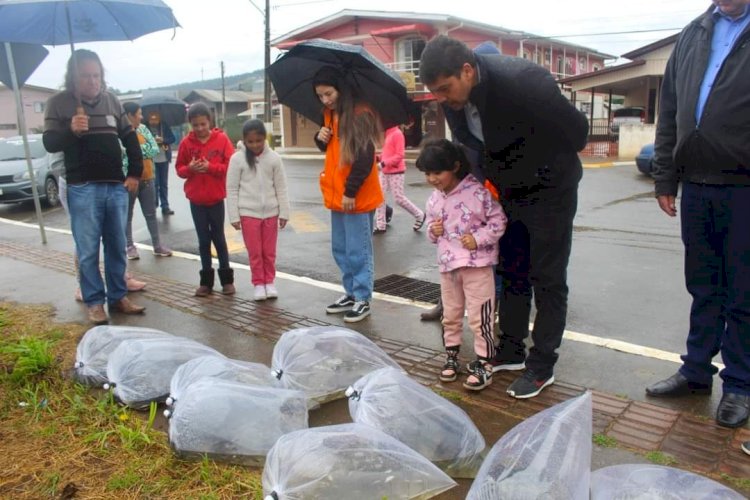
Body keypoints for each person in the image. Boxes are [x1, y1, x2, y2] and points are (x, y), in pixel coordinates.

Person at [419, 35, 589, 399]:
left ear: (467, 71)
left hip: (550, 189)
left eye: (446, 89)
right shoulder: (454, 97)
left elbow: (577, 132)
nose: (442, 99)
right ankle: (510, 349)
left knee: (547, 277)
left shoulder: (524, 81)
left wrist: (539, 163)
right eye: (436, 92)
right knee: (512, 270)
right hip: (509, 192)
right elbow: (472, 145)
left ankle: (542, 365)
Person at [645, 0, 750, 429]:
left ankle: (740, 385)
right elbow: (669, 110)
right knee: (703, 284)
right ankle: (695, 372)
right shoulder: (694, 32)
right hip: (697, 183)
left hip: (744, 184)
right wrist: (665, 177)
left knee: (743, 291)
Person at [43, 49, 146, 325]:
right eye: (85, 76)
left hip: (115, 185)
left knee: (116, 246)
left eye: (96, 75)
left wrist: (134, 172)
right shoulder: (59, 104)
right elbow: (50, 142)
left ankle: (118, 297)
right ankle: (94, 302)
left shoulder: (112, 101)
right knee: (88, 249)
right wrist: (71, 130)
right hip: (82, 186)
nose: (92, 81)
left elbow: (130, 138)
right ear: (72, 78)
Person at [418, 140, 506, 391]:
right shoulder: (434, 200)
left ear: (455, 166)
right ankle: (452, 355)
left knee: (481, 317)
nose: (432, 179)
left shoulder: (478, 193)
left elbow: (499, 221)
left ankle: (484, 363)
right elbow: (431, 233)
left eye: (437, 172)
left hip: (477, 266)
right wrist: (433, 232)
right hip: (448, 266)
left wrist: (478, 239)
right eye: (427, 173)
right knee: (451, 315)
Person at [313, 65, 384, 323]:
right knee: (340, 248)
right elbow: (330, 151)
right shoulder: (330, 115)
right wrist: (320, 137)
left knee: (358, 249)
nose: (325, 100)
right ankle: (351, 293)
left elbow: (365, 158)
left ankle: (363, 296)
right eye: (320, 96)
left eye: (329, 94)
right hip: (337, 195)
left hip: (355, 196)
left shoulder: (360, 113)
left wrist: (351, 190)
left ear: (340, 89)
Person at [175, 102, 236, 296]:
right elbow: (179, 169)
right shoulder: (186, 143)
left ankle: (227, 281)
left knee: (219, 238)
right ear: (190, 125)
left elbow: (230, 167)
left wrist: (211, 167)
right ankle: (206, 282)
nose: (200, 129)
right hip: (197, 200)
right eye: (195, 125)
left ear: (209, 121)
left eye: (203, 124)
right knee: (203, 240)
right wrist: (190, 169)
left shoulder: (222, 140)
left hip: (216, 199)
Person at [227, 120, 290, 301]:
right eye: (251, 142)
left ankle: (269, 282)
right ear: (244, 141)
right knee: (255, 252)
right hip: (248, 214)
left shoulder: (274, 159)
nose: (255, 145)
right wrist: (234, 216)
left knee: (269, 252)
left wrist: (284, 212)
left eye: (259, 141)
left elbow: (281, 187)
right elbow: (231, 189)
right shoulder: (237, 159)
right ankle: (258, 284)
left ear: (265, 138)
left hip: (271, 213)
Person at [122, 102, 172, 260]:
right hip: (129, 180)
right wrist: (137, 151)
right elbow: (121, 153)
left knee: (151, 214)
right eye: (138, 114)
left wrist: (134, 150)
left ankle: (157, 245)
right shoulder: (120, 132)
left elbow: (154, 149)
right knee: (127, 215)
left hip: (148, 178)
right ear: (129, 115)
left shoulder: (143, 129)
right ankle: (129, 246)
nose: (141, 117)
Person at [373, 125, 426, 234]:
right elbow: (388, 152)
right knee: (379, 197)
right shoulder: (388, 133)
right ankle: (380, 225)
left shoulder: (397, 134)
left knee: (399, 198)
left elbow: (399, 155)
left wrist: (383, 163)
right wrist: (379, 157)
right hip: (385, 171)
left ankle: (419, 215)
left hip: (396, 171)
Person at [147, 111, 176, 215]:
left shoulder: (164, 126)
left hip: (163, 158)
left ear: (159, 119)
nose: (153, 122)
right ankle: (154, 205)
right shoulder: (145, 128)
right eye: (151, 120)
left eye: (155, 119)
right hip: (152, 159)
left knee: (163, 184)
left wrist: (163, 140)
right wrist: (152, 141)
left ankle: (165, 206)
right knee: (155, 184)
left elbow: (173, 138)